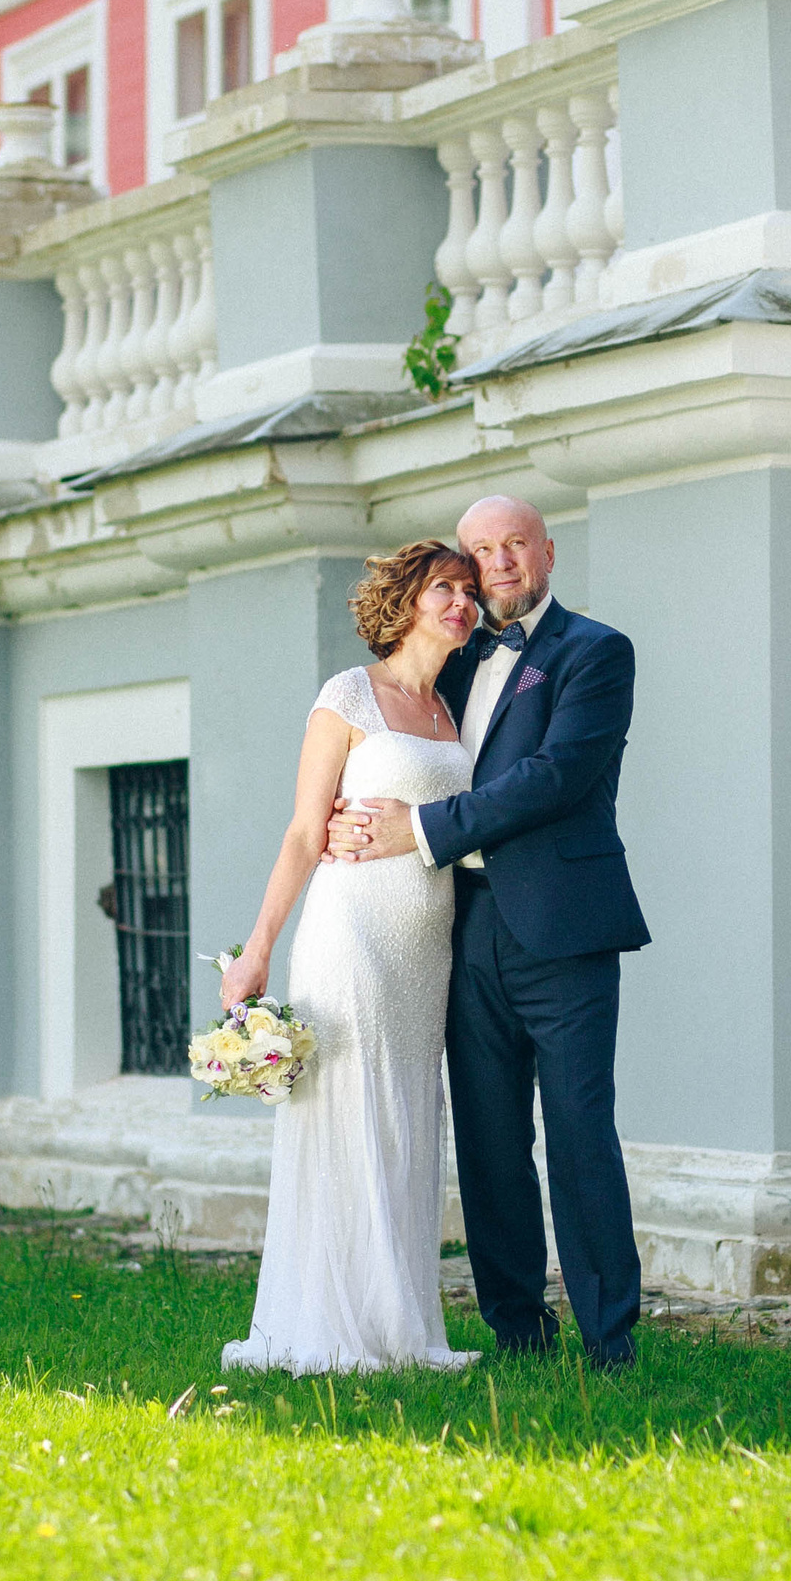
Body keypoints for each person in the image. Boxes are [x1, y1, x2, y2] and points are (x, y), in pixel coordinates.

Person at [327, 495, 649, 1370]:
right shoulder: (458, 662)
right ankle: (517, 1330)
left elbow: (556, 776)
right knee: (489, 1136)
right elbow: (389, 742)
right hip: (460, 932)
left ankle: (609, 1340)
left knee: (581, 1130)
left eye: (514, 544)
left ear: (545, 550)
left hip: (566, 930)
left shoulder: (596, 652)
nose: (498, 562)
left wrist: (420, 832)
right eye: (481, 551)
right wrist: (341, 823)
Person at [218, 539, 486, 1374]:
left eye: (470, 592)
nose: (462, 604)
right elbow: (305, 830)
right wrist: (256, 949)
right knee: (351, 1116)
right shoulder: (348, 695)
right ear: (406, 601)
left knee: (406, 1118)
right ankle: (330, 1325)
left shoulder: (457, 710)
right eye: (445, 587)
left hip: (426, 947)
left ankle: (403, 1326)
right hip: (351, 935)